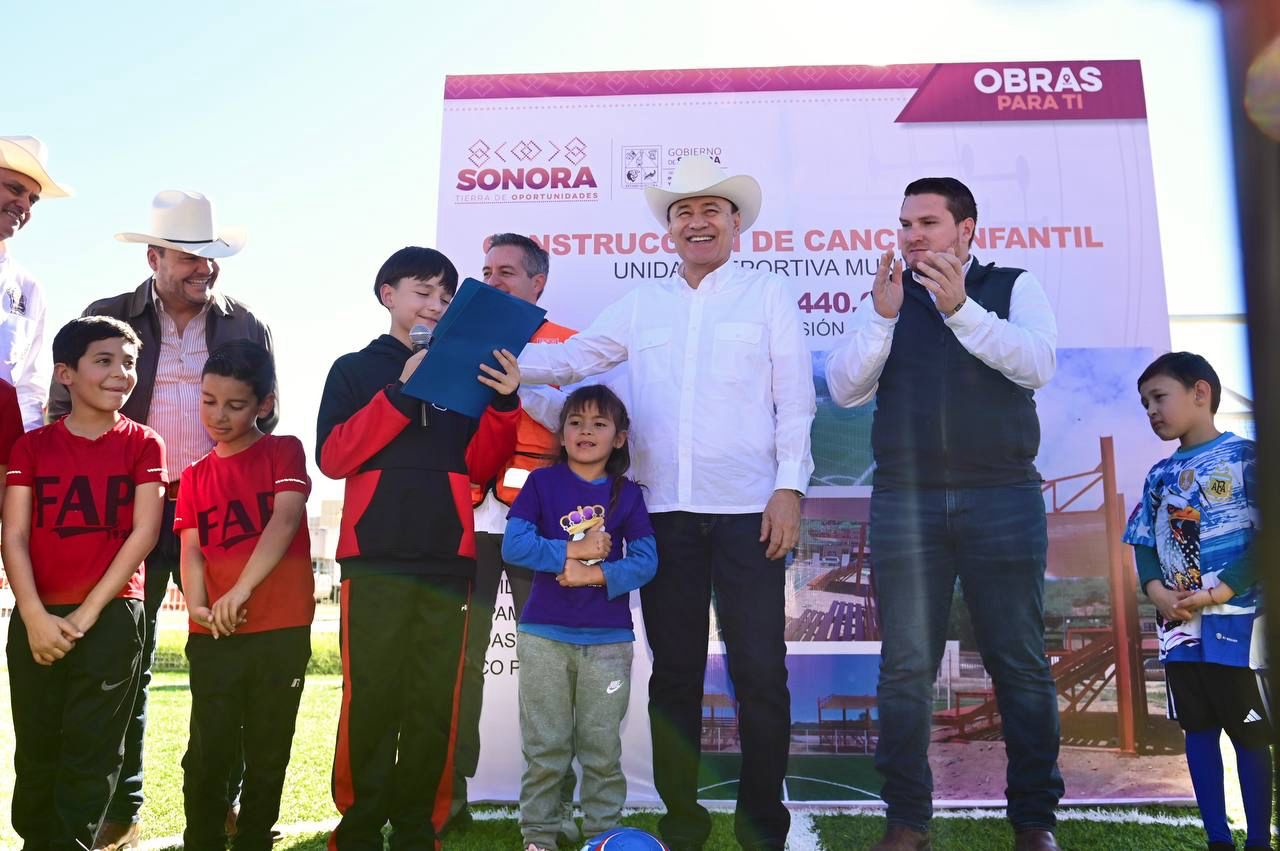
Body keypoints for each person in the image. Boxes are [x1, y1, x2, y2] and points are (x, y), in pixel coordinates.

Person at [519, 155, 815, 851]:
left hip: (750, 513)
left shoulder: (768, 294)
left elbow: (796, 400)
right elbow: (574, 358)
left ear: (735, 223)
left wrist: (789, 487)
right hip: (663, 516)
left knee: (760, 674)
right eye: (683, 211)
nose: (697, 221)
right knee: (674, 675)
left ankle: (762, 827)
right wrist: (507, 369)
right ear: (670, 229)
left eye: (711, 209)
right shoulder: (642, 304)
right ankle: (683, 823)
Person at [824, 177, 1061, 851]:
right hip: (906, 502)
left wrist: (960, 309)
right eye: (905, 223)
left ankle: (1035, 822)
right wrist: (881, 320)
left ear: (967, 229)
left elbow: (1038, 365)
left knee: (1019, 662)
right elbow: (844, 389)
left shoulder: (1013, 285)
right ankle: (907, 821)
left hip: (1003, 496)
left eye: (927, 222)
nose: (912, 235)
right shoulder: (887, 297)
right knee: (905, 667)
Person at [46, 190, 275, 850]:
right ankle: (122, 808)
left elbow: (267, 415)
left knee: (227, 659)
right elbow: (66, 413)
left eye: (210, 256)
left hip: (220, 512)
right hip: (127, 512)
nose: (204, 269)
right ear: (154, 258)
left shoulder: (246, 325)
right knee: (124, 662)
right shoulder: (107, 317)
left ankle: (225, 799)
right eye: (188, 257)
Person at [316, 246, 521, 849]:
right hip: (373, 556)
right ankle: (358, 827)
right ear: (388, 294)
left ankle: (418, 828)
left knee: (436, 701)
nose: (435, 304)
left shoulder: (465, 371)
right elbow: (334, 457)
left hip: (447, 558)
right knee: (370, 696)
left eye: (445, 296)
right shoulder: (353, 369)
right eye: (422, 291)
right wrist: (402, 393)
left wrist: (503, 404)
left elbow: (481, 466)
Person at [3, 316, 165, 850]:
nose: (122, 373)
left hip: (112, 616)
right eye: (105, 360)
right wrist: (33, 616)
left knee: (92, 753)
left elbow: (143, 533)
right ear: (65, 373)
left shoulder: (145, 444)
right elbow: (14, 535)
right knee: (37, 750)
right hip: (37, 617)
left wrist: (85, 615)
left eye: (130, 362)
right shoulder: (32, 447)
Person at [449, 232, 578, 839]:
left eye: (506, 271)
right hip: (469, 522)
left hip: (542, 529)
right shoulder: (457, 336)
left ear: (537, 282)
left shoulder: (569, 346)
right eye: (486, 271)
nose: (492, 280)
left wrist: (517, 383)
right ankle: (447, 798)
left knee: (548, 667)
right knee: (457, 666)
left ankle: (552, 809)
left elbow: (582, 426)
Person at [1123, 352, 1271, 851]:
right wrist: (1156, 591)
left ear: (1200, 393)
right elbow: (1144, 542)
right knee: (1199, 731)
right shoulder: (1158, 475)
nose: (1151, 410)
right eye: (1145, 404)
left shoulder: (1248, 458)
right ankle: (1217, 840)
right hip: (1181, 631)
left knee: (1250, 734)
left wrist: (1224, 588)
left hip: (1239, 627)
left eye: (1159, 397)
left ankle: (1258, 840)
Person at [502, 384, 657, 851]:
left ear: (619, 438)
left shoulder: (628, 495)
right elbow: (514, 545)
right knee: (546, 746)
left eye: (599, 424)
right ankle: (540, 834)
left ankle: (602, 835)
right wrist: (574, 550)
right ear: (562, 432)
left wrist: (593, 575)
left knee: (601, 748)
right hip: (543, 637)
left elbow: (646, 561)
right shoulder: (541, 484)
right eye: (575, 422)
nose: (585, 431)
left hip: (608, 642)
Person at [175, 340, 314, 850]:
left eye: (235, 405)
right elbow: (191, 550)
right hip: (213, 633)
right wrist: (198, 605)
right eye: (208, 401)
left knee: (268, 748)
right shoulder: (193, 475)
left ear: (264, 403)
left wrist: (241, 589)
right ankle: (202, 839)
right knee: (207, 750)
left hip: (280, 630)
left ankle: (255, 838)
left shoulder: (283, 450)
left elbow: (285, 520)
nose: (219, 416)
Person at [0, 135, 72, 430]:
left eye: (32, 199)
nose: (24, 205)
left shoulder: (28, 289)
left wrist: (24, 450)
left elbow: (30, 387)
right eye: (14, 189)